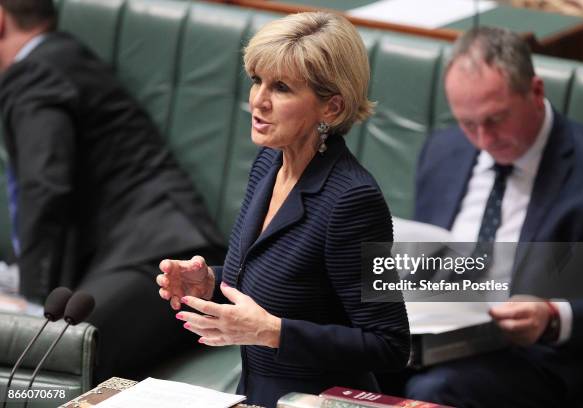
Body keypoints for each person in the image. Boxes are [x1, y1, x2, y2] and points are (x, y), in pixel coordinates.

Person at [157, 12, 411, 408]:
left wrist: (273, 332)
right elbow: (288, 287)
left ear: (332, 107)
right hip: (256, 394)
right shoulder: (268, 163)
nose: (259, 100)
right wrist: (210, 281)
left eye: (281, 88)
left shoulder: (352, 201)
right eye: (257, 80)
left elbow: (389, 344)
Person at [0, 0, 225, 382]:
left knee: (50, 350)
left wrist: (34, 303)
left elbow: (46, 186)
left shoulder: (36, 71)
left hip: (160, 260)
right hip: (138, 259)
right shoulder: (63, 56)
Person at [397, 26, 583, 406]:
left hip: (541, 359)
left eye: (495, 120)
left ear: (536, 91)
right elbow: (426, 265)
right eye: (467, 124)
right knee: (337, 356)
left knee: (431, 392)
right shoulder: (441, 152)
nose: (483, 139)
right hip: (438, 341)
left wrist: (553, 316)